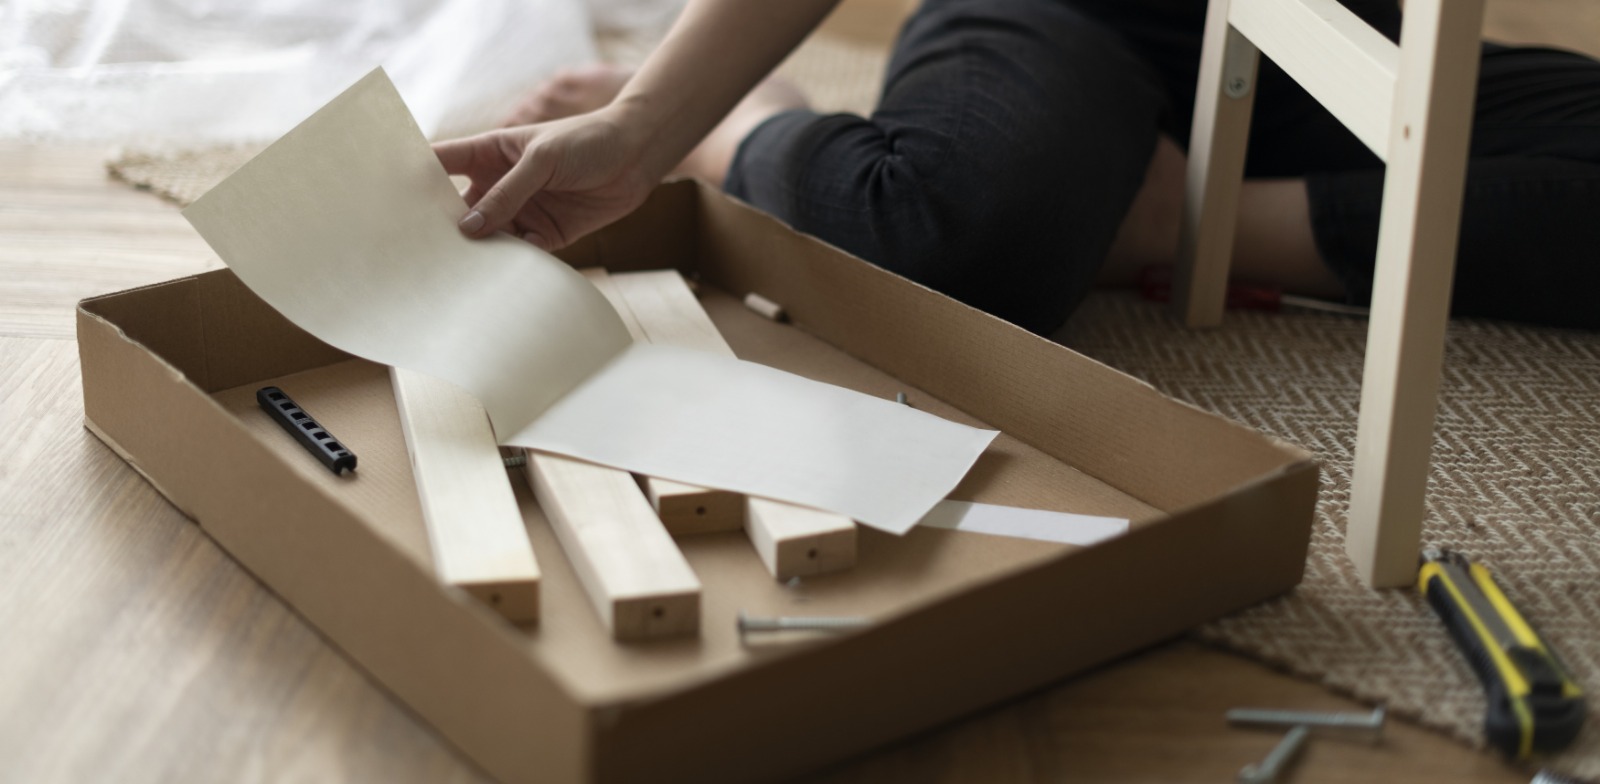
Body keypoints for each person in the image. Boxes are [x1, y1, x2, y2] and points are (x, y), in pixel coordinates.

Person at [432, 0, 1600, 334]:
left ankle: (1163, 219)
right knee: (936, 236)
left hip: (1318, 34)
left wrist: (1188, 226)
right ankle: (741, 126)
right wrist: (648, 125)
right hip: (1066, 17)